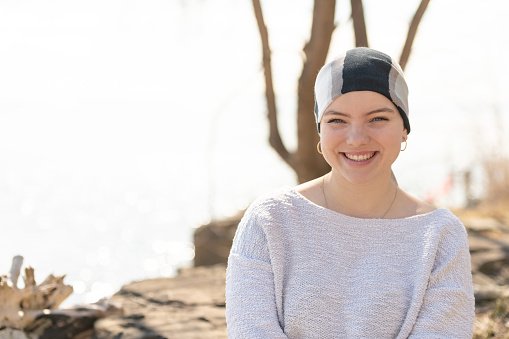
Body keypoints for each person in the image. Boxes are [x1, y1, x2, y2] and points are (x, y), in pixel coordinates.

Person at [225, 47, 475, 338]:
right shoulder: (270, 220)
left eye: (377, 119)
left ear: (404, 129)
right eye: (337, 120)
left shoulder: (440, 235)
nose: (356, 138)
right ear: (320, 130)